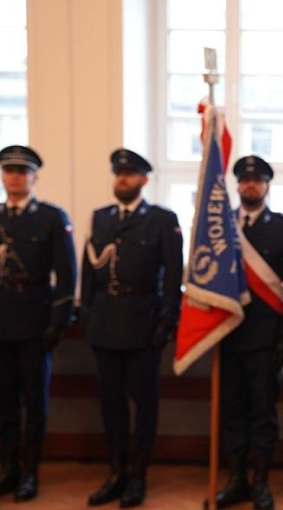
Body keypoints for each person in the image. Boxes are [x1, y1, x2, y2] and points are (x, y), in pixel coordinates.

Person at [81, 148, 183, 508]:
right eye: (118, 173)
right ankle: (116, 473)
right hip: (106, 324)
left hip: (143, 325)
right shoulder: (101, 218)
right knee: (111, 405)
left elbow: (173, 274)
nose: (122, 179)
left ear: (143, 180)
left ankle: (138, 477)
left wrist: (168, 320)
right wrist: (88, 315)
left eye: (129, 174)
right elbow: (89, 270)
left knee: (145, 405)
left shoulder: (161, 219)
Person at [214, 156, 283, 510]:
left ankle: (262, 482)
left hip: (266, 340)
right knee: (232, 412)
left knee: (263, 414)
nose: (250, 185)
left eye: (257, 180)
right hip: (229, 335)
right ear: (237, 185)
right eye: (244, 180)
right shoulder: (221, 227)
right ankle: (236, 479)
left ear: (267, 186)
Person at [0, 145, 77, 502]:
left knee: (35, 402)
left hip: (34, 322)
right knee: (4, 403)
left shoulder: (51, 217)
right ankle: (9, 469)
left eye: (22, 171)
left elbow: (66, 275)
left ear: (33, 177)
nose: (15, 177)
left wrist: (57, 322)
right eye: (9, 171)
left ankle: (30, 472)